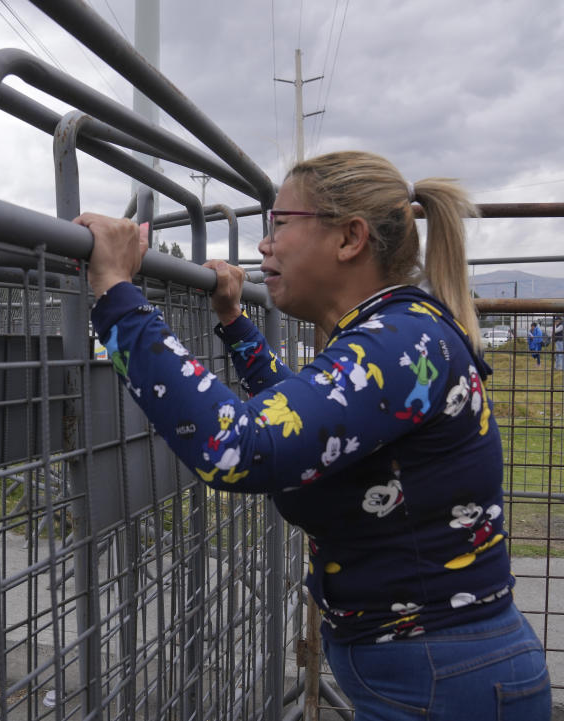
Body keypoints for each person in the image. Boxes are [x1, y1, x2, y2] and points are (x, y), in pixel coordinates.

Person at [76, 150, 550, 721]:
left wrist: (117, 292)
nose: (263, 245)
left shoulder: (399, 343)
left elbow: (239, 449)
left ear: (350, 238)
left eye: (279, 224)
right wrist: (234, 323)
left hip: (444, 677)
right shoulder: (398, 333)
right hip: (436, 672)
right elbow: (313, 423)